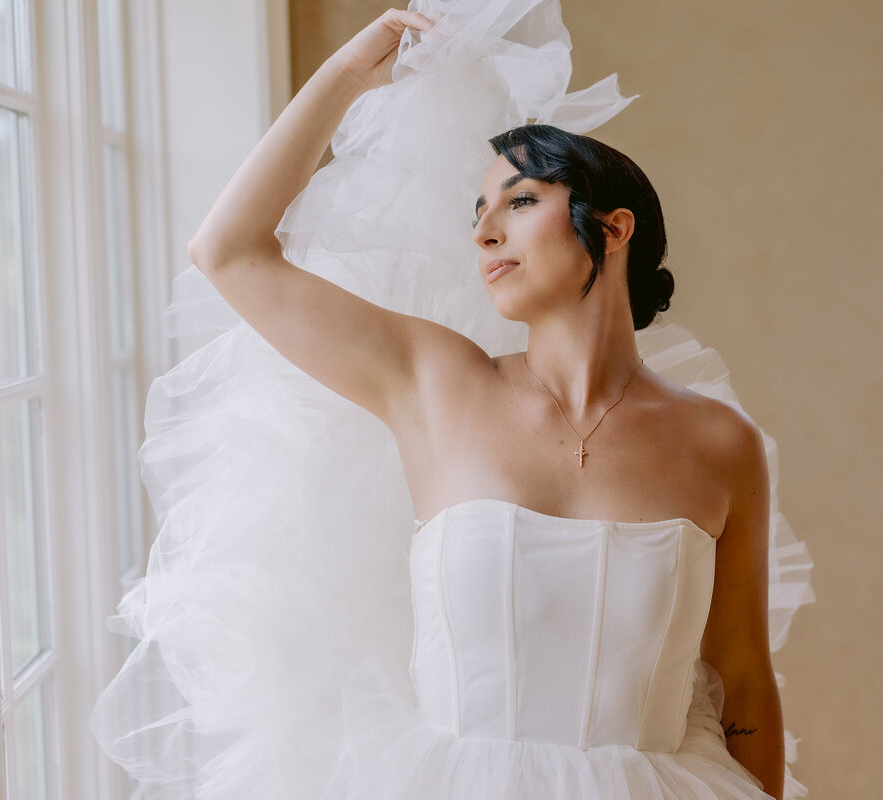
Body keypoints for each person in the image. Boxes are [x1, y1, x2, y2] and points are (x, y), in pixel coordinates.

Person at [91, 3, 812, 799]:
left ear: (612, 229)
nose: (485, 233)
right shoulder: (436, 383)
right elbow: (226, 252)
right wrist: (345, 78)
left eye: (520, 201)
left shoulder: (719, 444)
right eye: (478, 212)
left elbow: (743, 680)